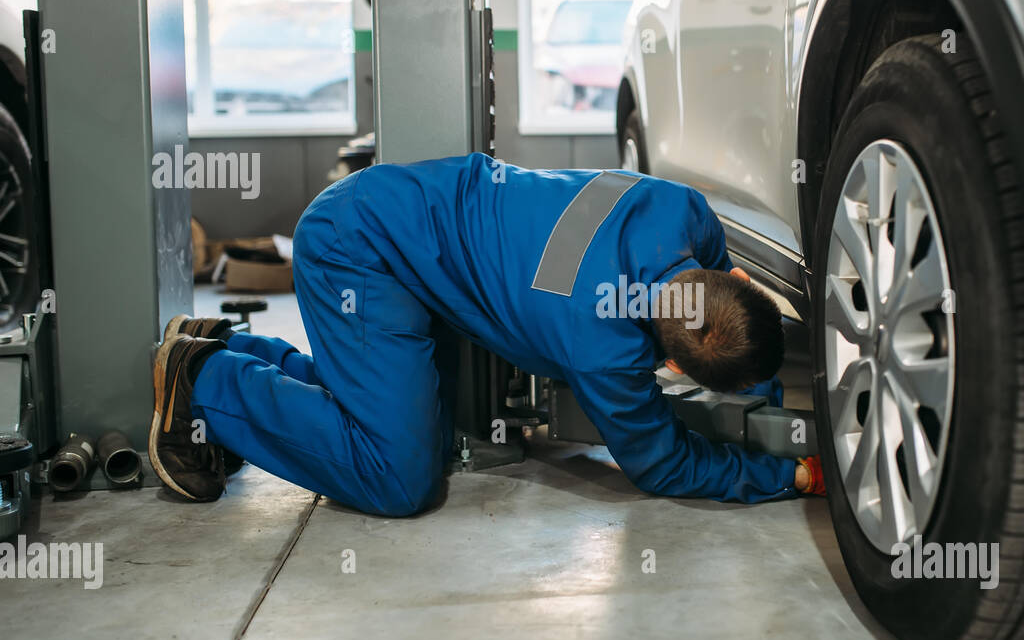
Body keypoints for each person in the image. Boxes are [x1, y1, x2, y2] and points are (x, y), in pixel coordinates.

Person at [148, 153, 825, 514]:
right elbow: (664, 465)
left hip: (390, 214)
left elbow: (718, 321)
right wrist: (784, 474)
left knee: (427, 433)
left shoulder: (682, 210)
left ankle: (229, 346)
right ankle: (201, 381)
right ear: (669, 369)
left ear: (733, 274)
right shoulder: (604, 346)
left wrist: (758, 384)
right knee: (399, 475)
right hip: (359, 251)